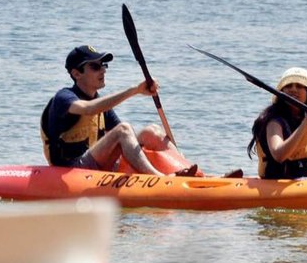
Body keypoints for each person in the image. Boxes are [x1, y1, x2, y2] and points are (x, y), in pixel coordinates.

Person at [41, 45, 196, 175]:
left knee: (152, 132)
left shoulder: (100, 103)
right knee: (123, 129)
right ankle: (160, 179)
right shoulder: (64, 98)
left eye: (103, 65)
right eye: (95, 66)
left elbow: (127, 140)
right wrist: (135, 90)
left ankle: (190, 172)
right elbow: (88, 109)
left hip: (96, 164)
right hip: (71, 169)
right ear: (76, 74)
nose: (103, 70)